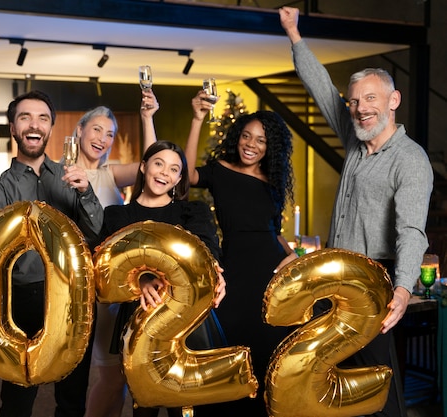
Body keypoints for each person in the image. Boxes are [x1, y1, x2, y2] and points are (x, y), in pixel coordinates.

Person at [279, 7, 434, 417]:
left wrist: (402, 289)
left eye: (371, 98)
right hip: (338, 276)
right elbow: (321, 88)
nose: (361, 108)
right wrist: (295, 33)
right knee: (338, 374)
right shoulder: (354, 136)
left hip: (375, 281)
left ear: (393, 100)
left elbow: (412, 231)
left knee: (375, 379)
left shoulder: (410, 160)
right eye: (355, 101)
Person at [0, 90, 103, 417]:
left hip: (74, 298)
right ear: (13, 128)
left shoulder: (71, 178)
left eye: (43, 118)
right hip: (22, 301)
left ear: (50, 128)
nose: (34, 124)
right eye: (25, 117)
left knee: (73, 399)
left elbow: (95, 233)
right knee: (18, 399)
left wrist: (86, 193)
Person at [182, 95, 297, 416]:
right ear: (237, 138)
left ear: (270, 146)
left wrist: (296, 259)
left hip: (272, 272)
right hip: (235, 269)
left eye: (261, 140)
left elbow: (275, 231)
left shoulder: (273, 181)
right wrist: (197, 120)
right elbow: (186, 177)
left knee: (270, 347)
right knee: (232, 345)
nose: (251, 144)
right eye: (246, 136)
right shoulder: (220, 170)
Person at [95, 140, 226, 417]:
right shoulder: (118, 215)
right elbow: (106, 264)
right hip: (139, 317)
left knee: (185, 405)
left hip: (185, 322)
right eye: (158, 163)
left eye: (174, 169)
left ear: (179, 178)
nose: (164, 172)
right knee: (144, 404)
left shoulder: (193, 212)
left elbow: (207, 251)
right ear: (144, 166)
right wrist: (139, 281)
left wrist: (215, 271)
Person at [81, 90, 159, 417]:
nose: (103, 138)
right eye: (96, 129)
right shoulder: (58, 174)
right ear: (80, 132)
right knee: (112, 377)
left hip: (118, 287)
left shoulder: (108, 173)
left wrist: (147, 117)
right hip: (87, 288)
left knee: (120, 377)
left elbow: (152, 164)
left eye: (109, 134)